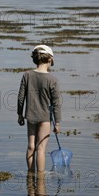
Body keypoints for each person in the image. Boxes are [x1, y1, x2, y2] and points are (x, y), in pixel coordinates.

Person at [17, 45, 61, 173]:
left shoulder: (27, 75)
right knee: (41, 148)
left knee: (31, 147)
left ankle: (30, 177)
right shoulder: (52, 79)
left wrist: (20, 114)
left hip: (30, 116)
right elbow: (56, 103)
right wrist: (57, 122)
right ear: (50, 59)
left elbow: (21, 97)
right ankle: (40, 180)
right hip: (44, 118)